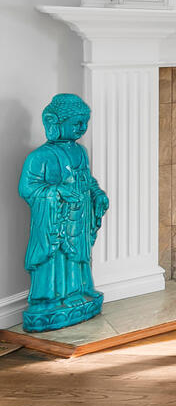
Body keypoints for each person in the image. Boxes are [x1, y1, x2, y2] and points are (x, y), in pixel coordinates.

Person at [18, 93, 109, 332]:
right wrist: (57, 191)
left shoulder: (81, 152)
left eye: (85, 123)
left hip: (79, 217)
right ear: (55, 122)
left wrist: (98, 194)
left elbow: (87, 180)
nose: (81, 128)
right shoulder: (39, 157)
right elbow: (27, 188)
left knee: (79, 256)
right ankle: (51, 298)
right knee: (57, 257)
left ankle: (80, 290)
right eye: (76, 123)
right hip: (55, 221)